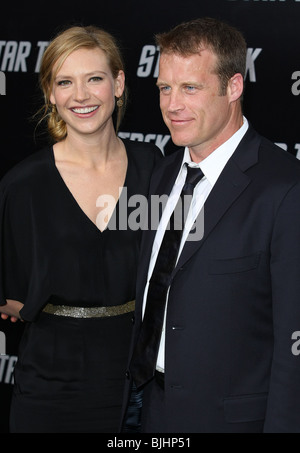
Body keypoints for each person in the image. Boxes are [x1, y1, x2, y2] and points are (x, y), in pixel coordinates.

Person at [122, 17, 300, 433]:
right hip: (148, 411)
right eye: (165, 88)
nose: (172, 105)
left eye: (190, 88)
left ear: (234, 87)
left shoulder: (285, 189)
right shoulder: (163, 176)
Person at [0, 25, 161, 433]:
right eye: (65, 82)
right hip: (52, 394)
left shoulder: (153, 168)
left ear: (119, 83)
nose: (81, 95)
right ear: (50, 93)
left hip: (139, 391)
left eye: (95, 79)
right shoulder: (24, 185)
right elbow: (10, 296)